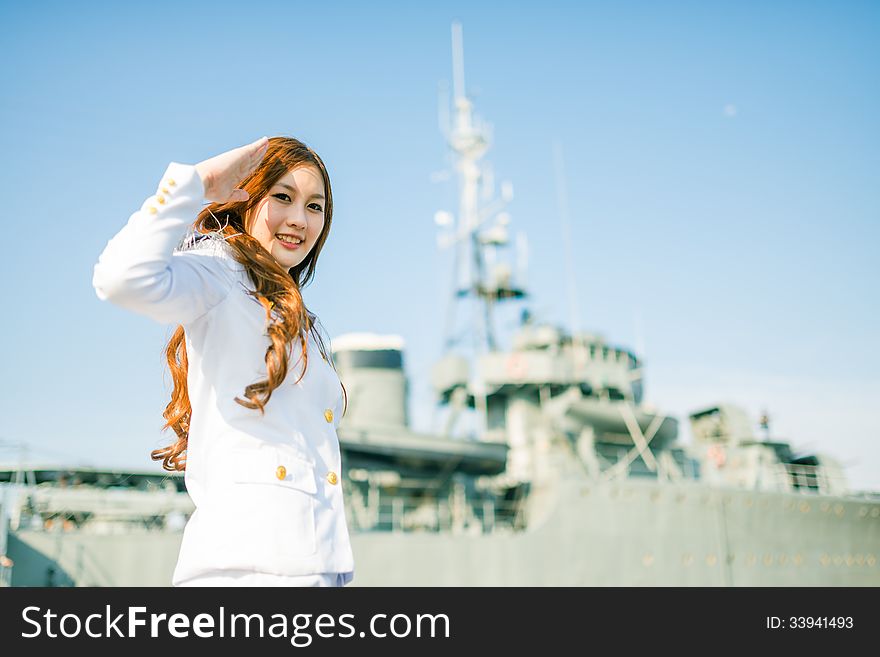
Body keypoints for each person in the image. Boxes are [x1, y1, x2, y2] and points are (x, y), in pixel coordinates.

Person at [92, 136, 354, 587]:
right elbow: (121, 278)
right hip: (248, 570)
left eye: (315, 206)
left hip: (312, 568)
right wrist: (198, 182)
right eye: (283, 197)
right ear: (248, 199)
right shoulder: (222, 269)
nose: (299, 219)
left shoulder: (292, 312)